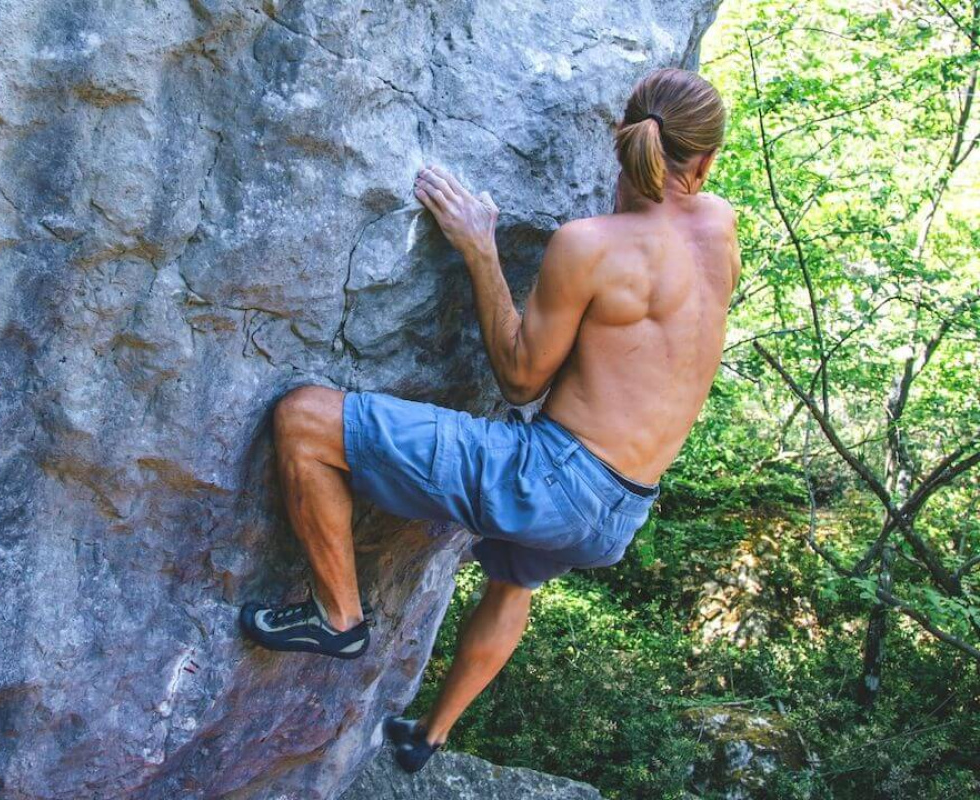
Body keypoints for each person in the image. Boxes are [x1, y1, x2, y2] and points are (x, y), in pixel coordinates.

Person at [237, 67, 739, 773]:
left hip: (554, 480)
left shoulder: (590, 245)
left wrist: (480, 249)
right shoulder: (721, 228)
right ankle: (430, 735)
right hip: (624, 508)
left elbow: (519, 375)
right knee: (514, 581)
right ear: (707, 161)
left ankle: (338, 617)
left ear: (620, 136)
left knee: (305, 420)